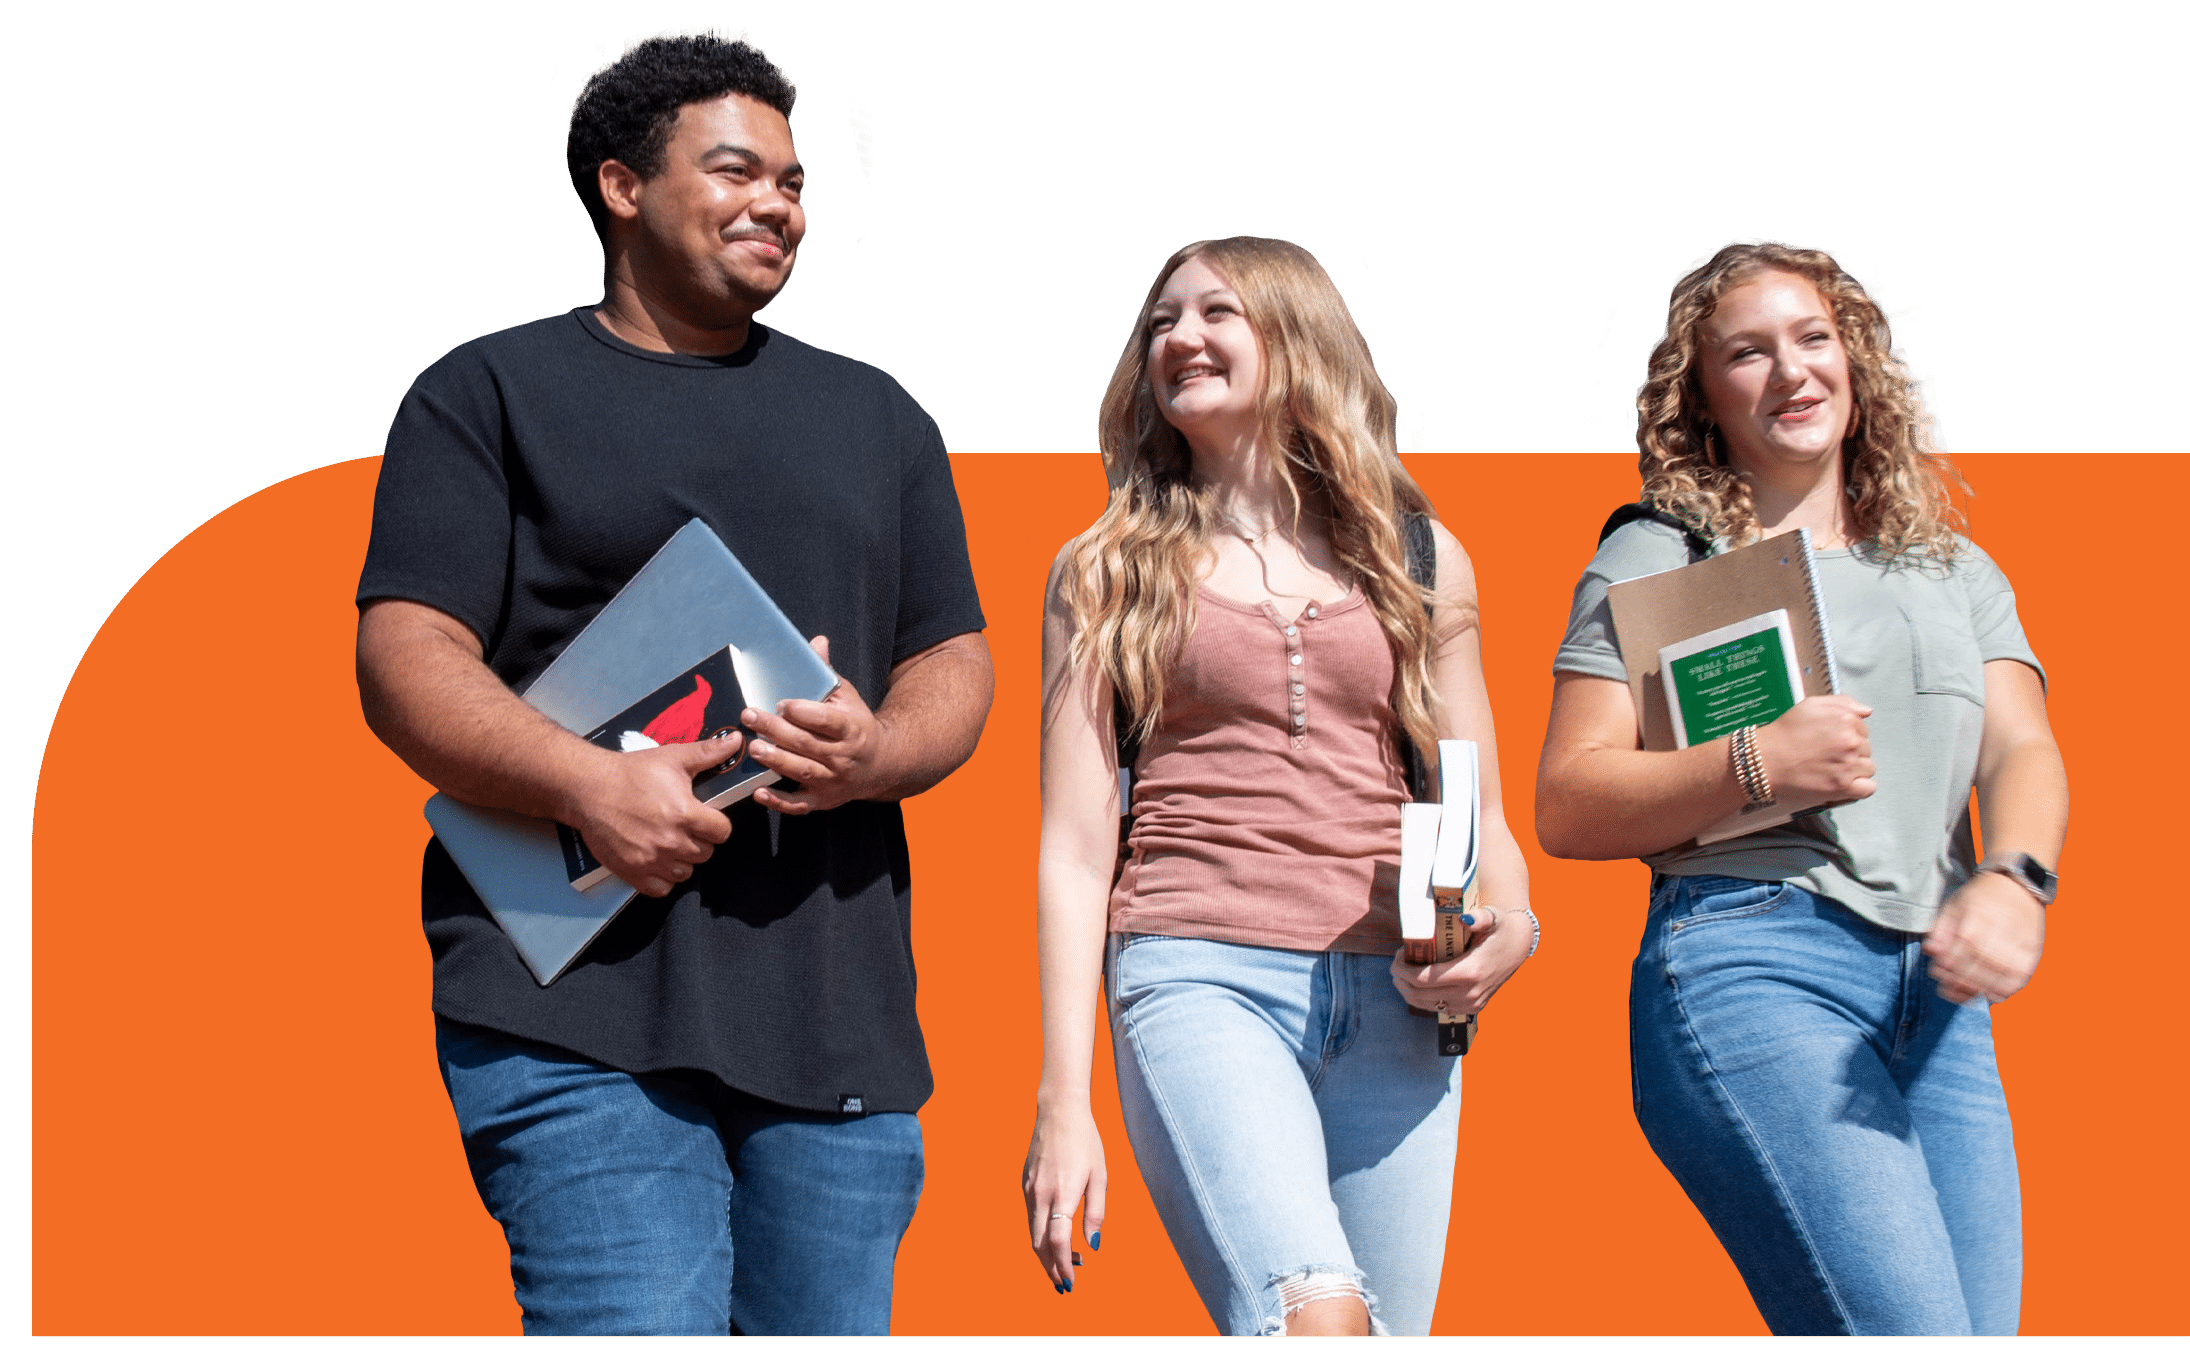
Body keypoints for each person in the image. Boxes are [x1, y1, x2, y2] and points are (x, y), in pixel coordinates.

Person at [353, 31, 992, 1335]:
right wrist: (586, 783)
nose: (778, 204)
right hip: (573, 1013)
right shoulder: (485, 392)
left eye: (797, 185)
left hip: (837, 1033)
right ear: (621, 185)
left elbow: (953, 657)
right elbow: (405, 656)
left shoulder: (883, 417)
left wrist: (881, 754)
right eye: (738, 171)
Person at [1535, 239, 2067, 1335]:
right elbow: (1568, 800)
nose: (1791, 373)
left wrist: (2017, 878)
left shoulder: (1951, 566)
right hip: (1755, 959)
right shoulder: (1657, 554)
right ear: (1704, 394)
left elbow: (2021, 749)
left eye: (1814, 339)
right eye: (1747, 353)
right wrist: (1757, 763)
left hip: (1940, 1000)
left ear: (1859, 361)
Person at [1020, 237, 1536, 1336]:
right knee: (1317, 1318)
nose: (1180, 338)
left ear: (1299, 341)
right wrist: (1065, 1100)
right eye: (1161, 322)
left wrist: (1514, 927)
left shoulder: (1422, 556)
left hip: (1395, 1002)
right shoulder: (1106, 564)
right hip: (1197, 972)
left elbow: (1474, 794)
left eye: (1217, 313)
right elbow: (1073, 848)